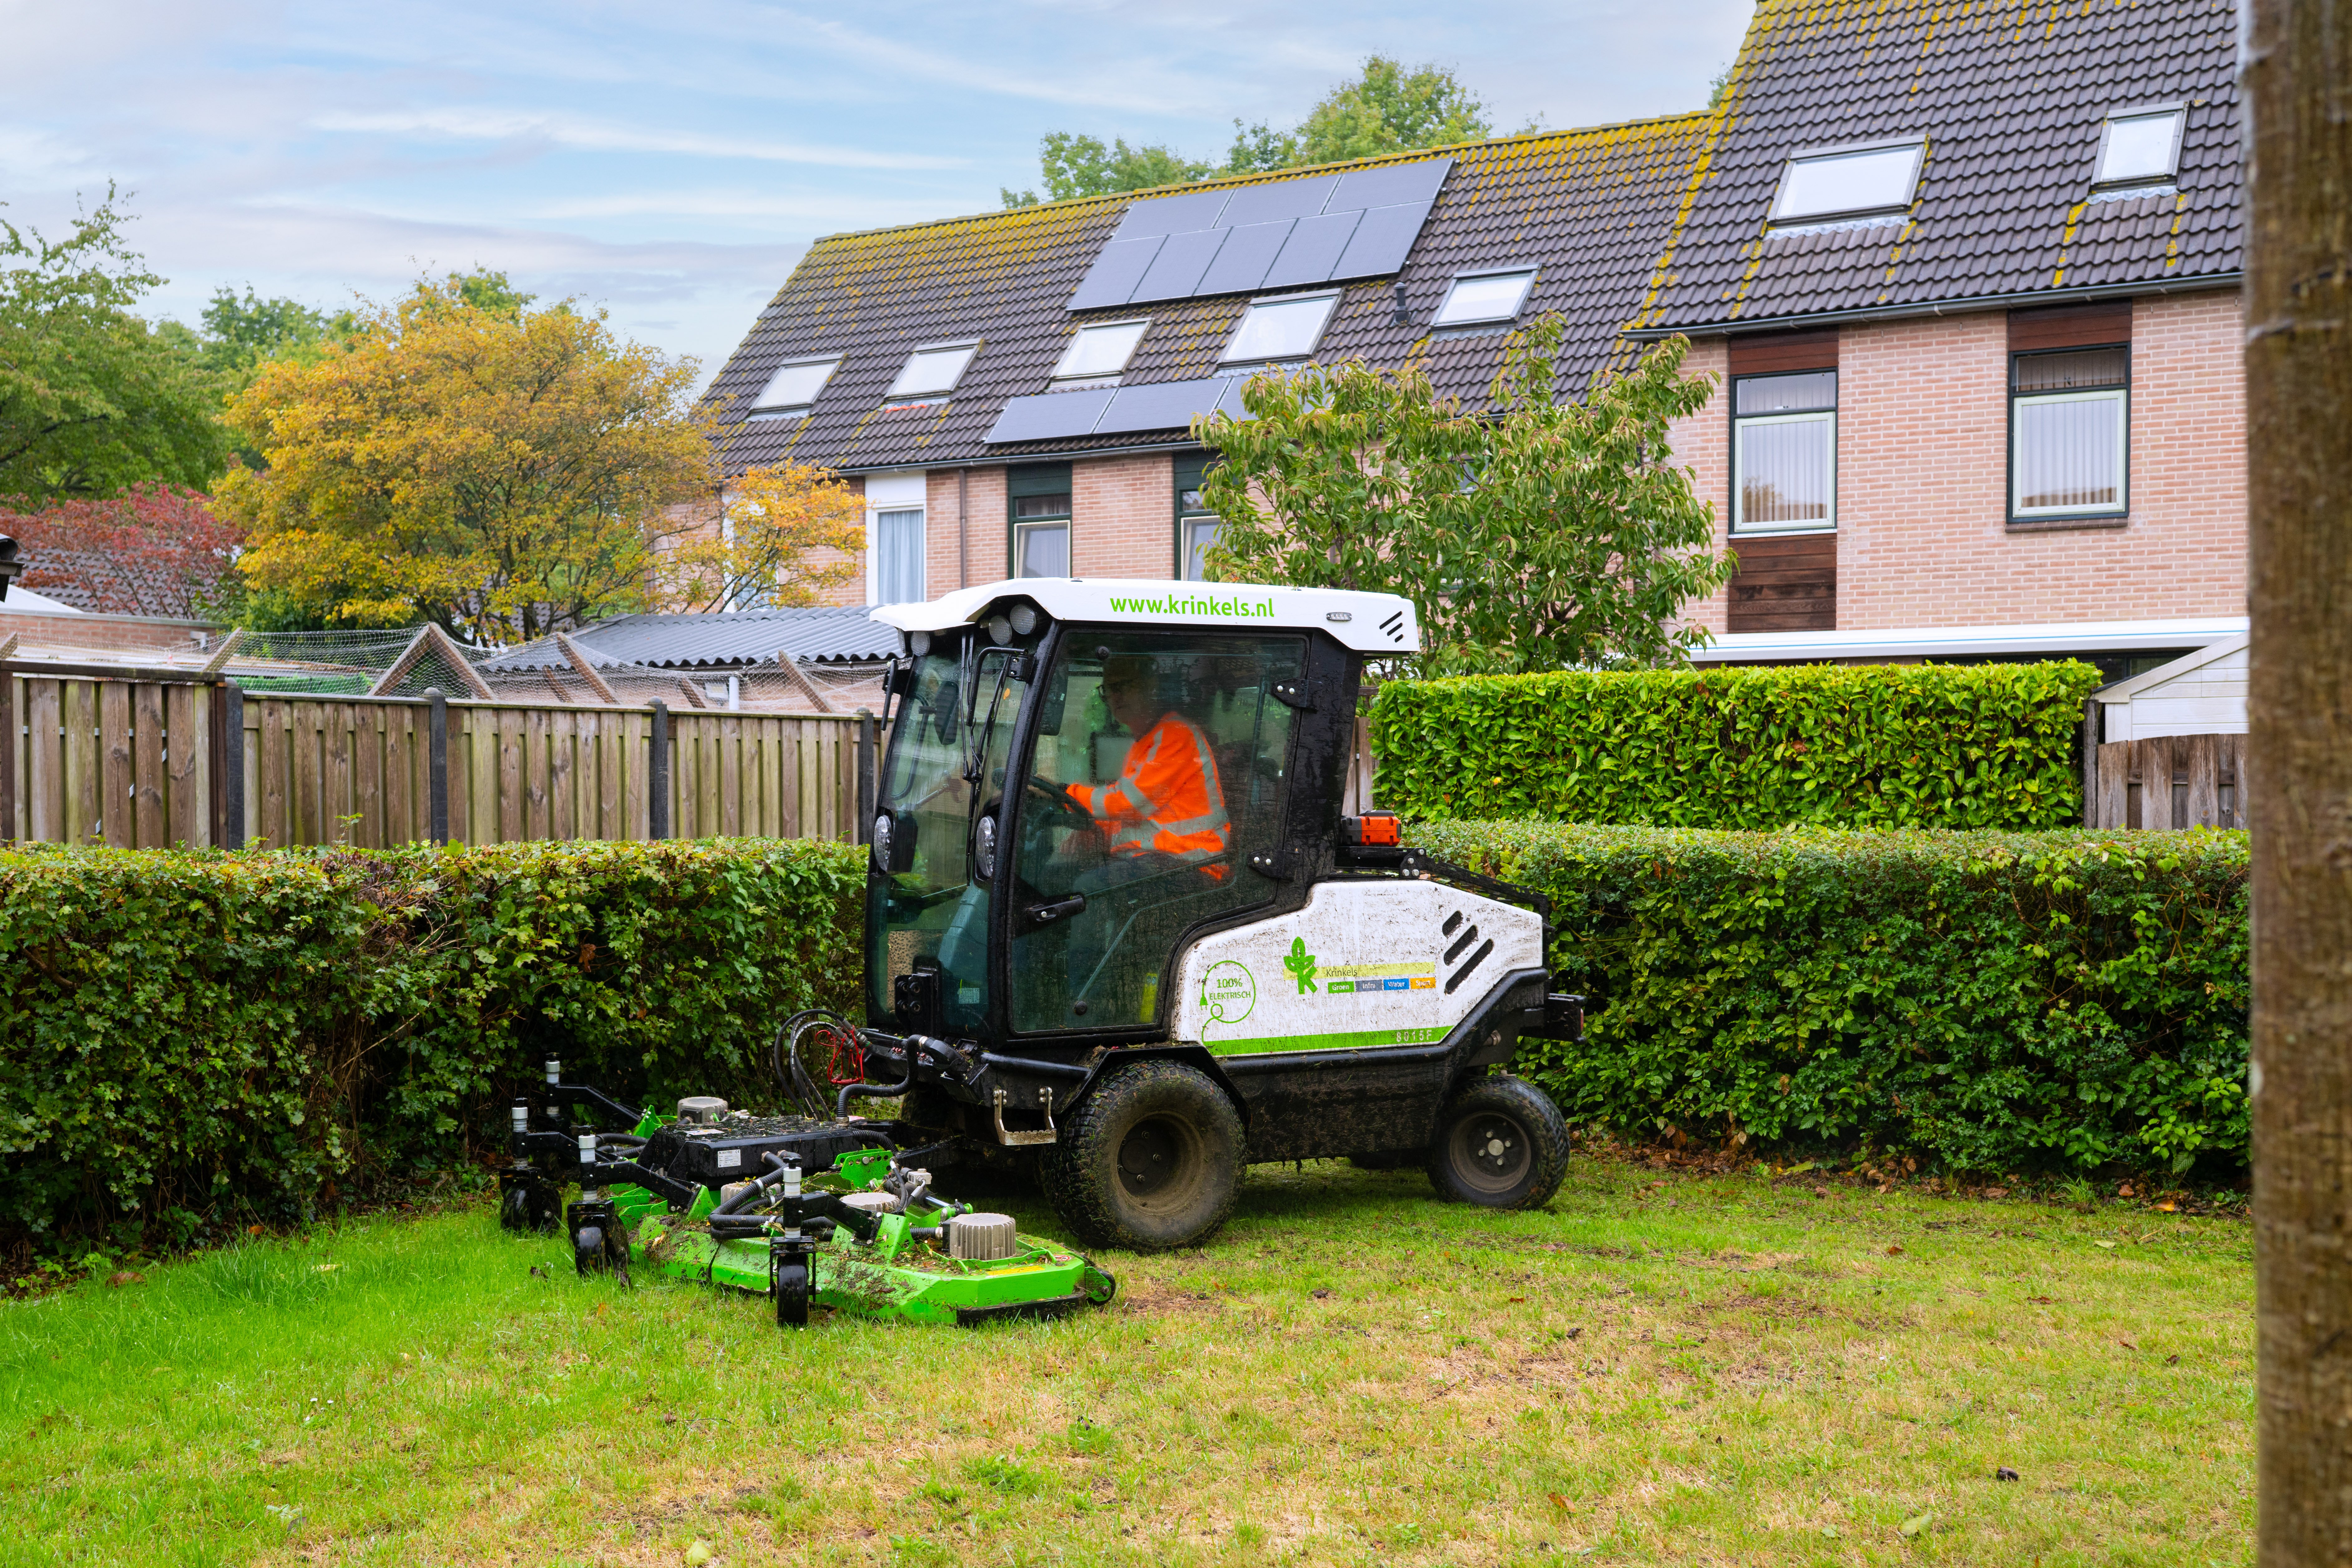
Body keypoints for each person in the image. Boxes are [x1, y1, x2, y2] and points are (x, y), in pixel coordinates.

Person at [1066, 654, 1230, 875]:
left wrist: (1067, 794)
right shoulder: (1144, 743)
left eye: (1124, 685)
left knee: (1087, 887)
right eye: (1109, 689)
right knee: (1067, 874)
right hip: (1158, 861)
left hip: (1191, 865)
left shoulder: (1176, 734)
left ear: (1149, 687)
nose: (1116, 696)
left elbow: (1128, 804)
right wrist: (1092, 828)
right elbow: (1135, 813)